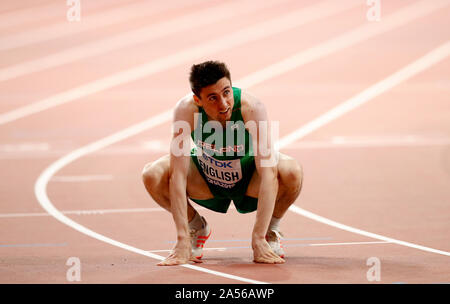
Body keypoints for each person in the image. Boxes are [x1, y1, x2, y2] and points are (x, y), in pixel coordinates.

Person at [142, 61, 303, 266]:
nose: (224, 104)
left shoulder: (252, 108)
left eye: (226, 92)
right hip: (207, 176)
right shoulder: (185, 111)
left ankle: (271, 232)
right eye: (213, 98)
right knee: (152, 174)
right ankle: (196, 227)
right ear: (197, 100)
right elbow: (178, 174)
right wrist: (181, 238)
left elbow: (269, 173)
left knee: (292, 171)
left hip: (248, 176)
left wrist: (258, 237)